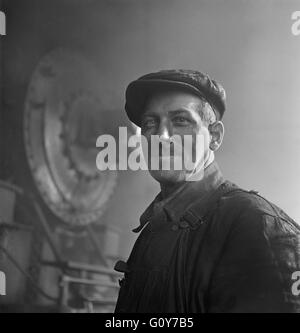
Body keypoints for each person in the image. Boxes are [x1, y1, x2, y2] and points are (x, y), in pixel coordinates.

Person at [114, 69, 300, 313]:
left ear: (214, 136)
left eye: (181, 120)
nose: (162, 136)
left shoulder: (255, 224)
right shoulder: (154, 229)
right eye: (151, 123)